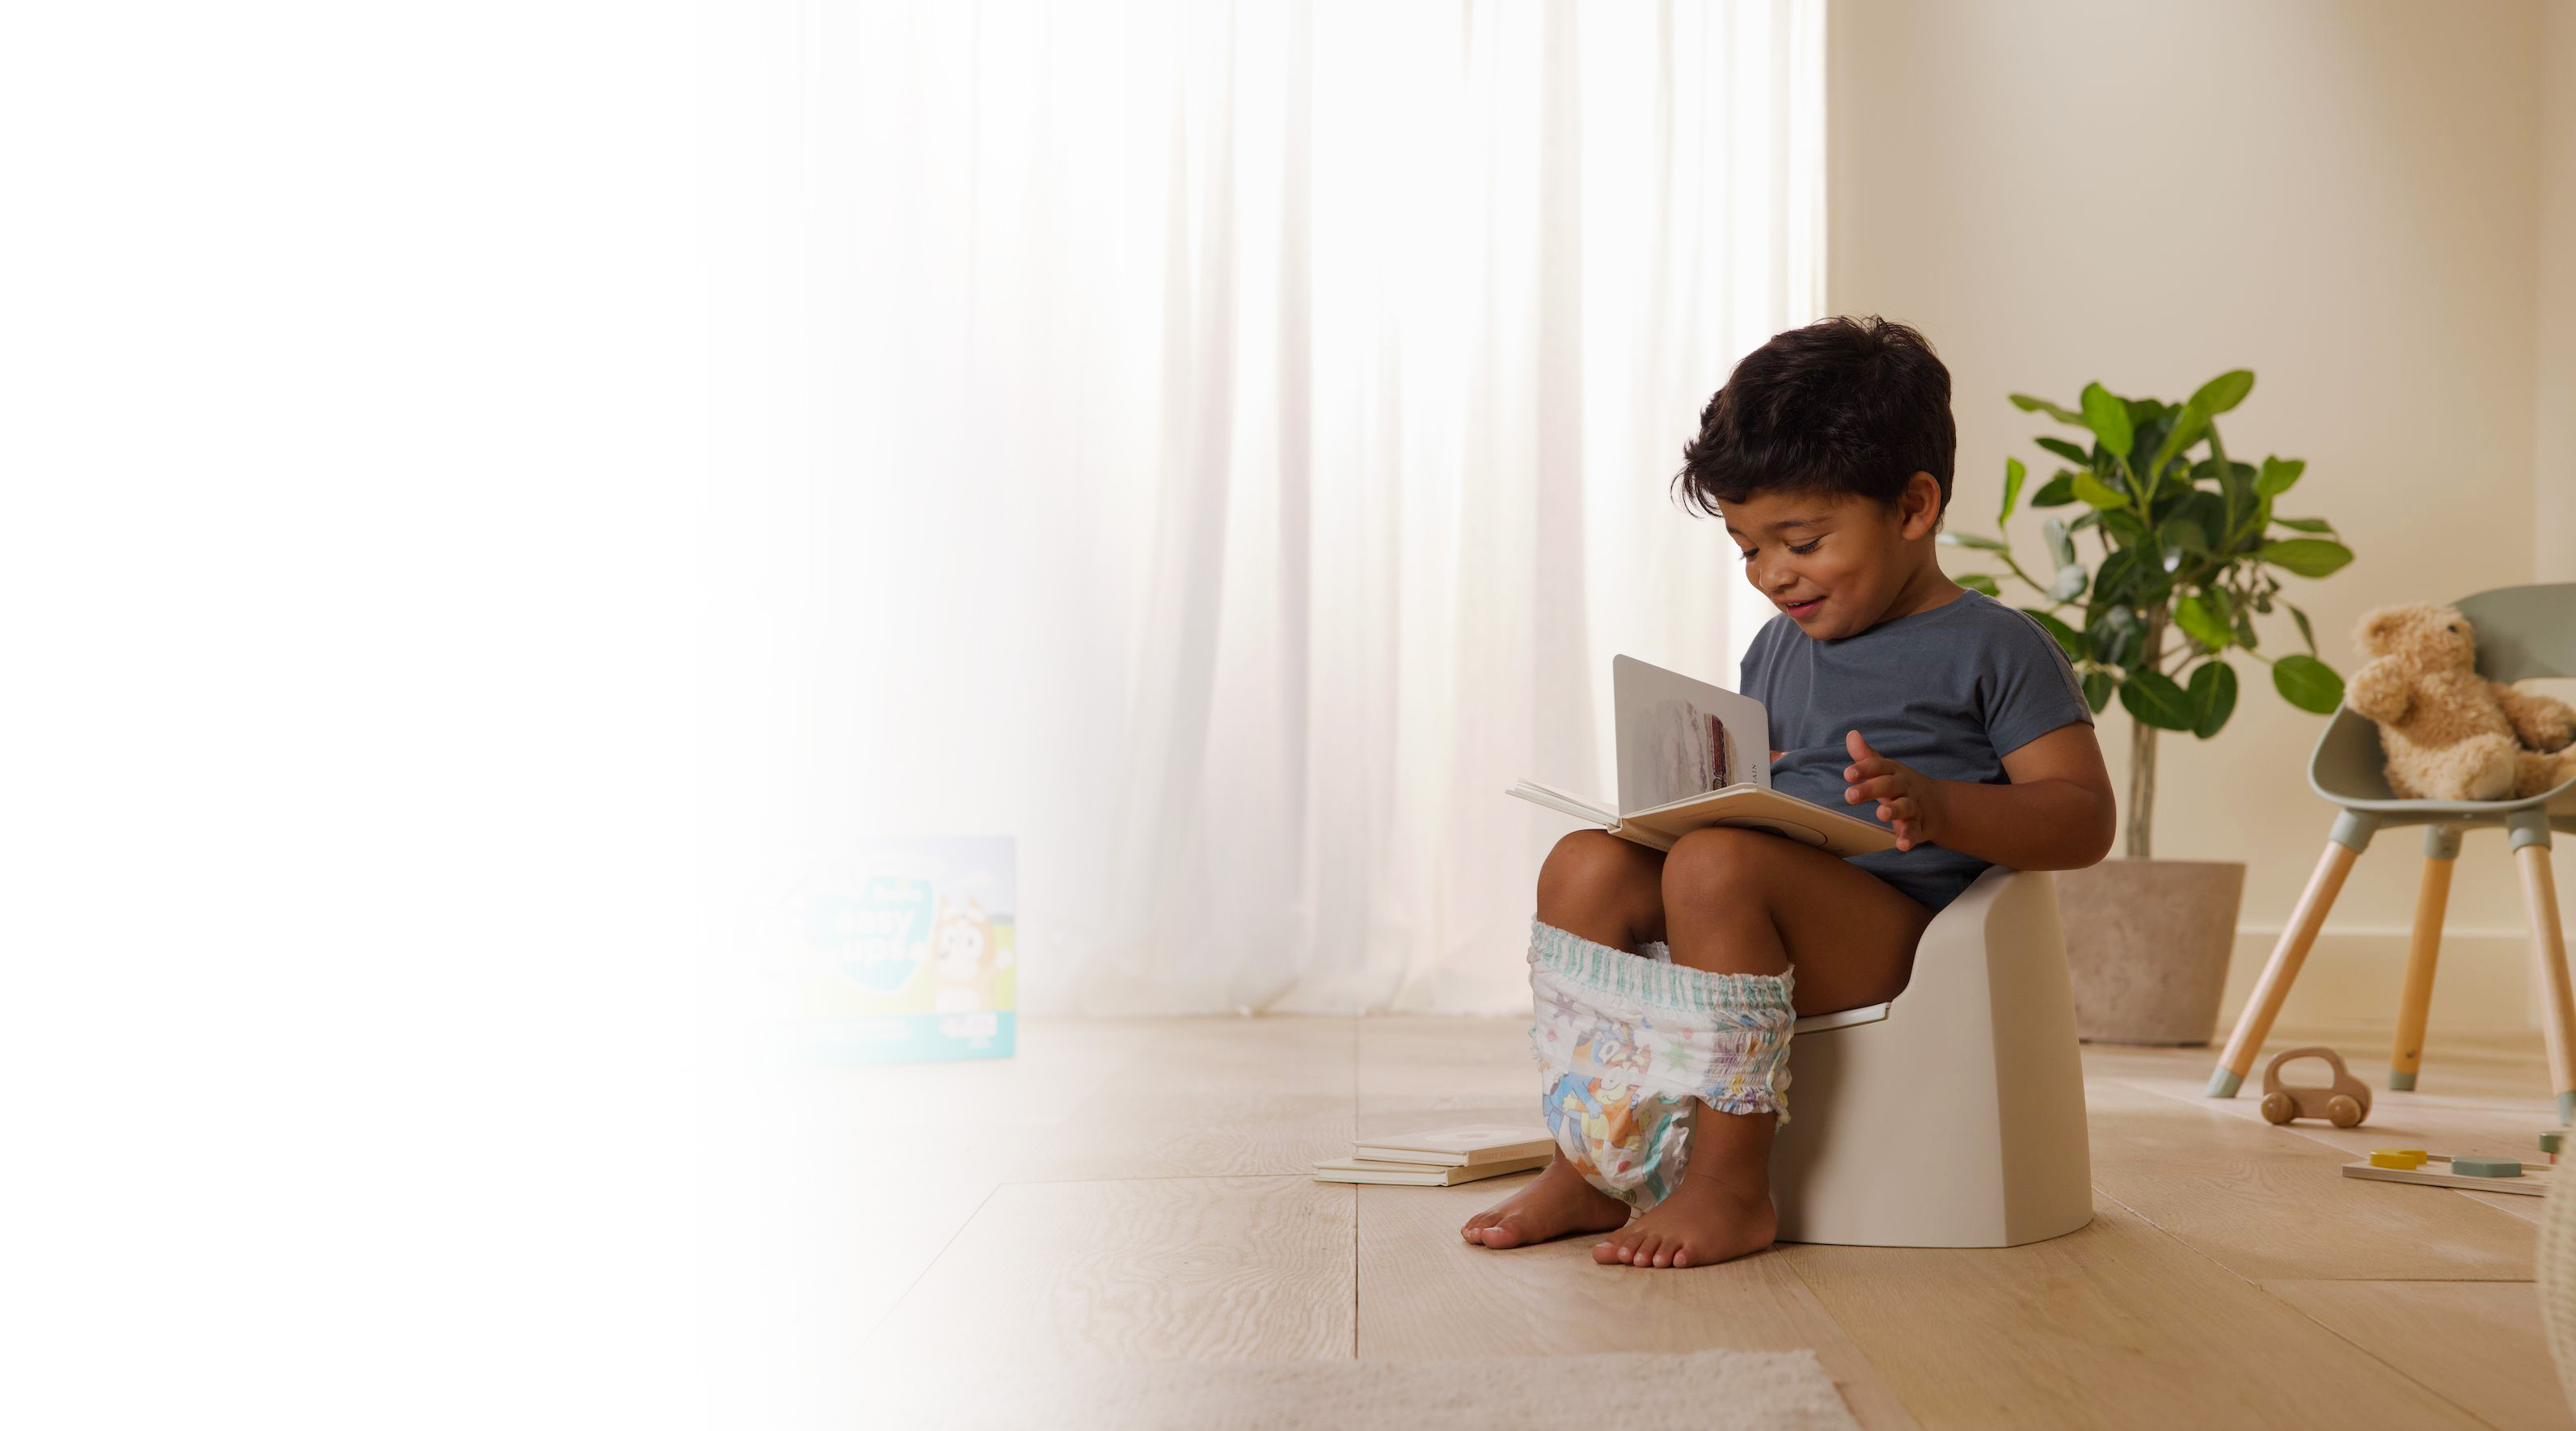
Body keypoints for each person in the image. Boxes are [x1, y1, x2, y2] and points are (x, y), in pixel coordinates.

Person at [1460, 314, 2117, 1268]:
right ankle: (1588, 1163)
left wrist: (1941, 806)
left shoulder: (1997, 647)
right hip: (1756, 909)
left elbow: (2082, 818)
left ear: (1913, 506)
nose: (1773, 576)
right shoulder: (1778, 647)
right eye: (1747, 549)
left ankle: (1729, 1184)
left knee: (1719, 868)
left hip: (1904, 937)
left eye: (1801, 541)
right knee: (1587, 865)